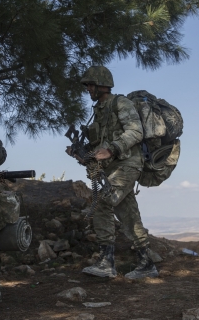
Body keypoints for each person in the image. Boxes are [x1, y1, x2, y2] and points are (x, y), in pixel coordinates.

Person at [69, 65, 158, 280]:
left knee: (101, 202)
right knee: (129, 216)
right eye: (87, 85)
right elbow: (100, 147)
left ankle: (106, 263)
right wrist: (83, 155)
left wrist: (111, 149)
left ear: (101, 85)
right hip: (112, 169)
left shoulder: (120, 103)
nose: (88, 89)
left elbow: (136, 132)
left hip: (128, 164)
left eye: (90, 84)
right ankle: (146, 263)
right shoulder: (98, 112)